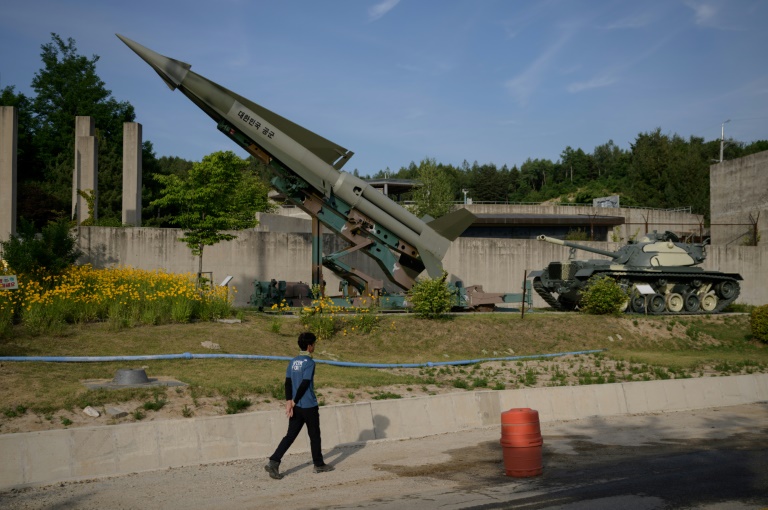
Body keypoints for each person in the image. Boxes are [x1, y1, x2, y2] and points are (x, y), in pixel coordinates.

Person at [264, 331, 334, 479]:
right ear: (309, 346)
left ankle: (274, 461)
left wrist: (289, 401)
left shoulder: (293, 361)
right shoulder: (310, 363)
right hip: (309, 405)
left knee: (290, 435)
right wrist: (295, 400)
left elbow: (288, 382)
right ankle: (319, 464)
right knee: (314, 435)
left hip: (296, 407)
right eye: (314, 344)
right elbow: (305, 383)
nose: (314, 346)